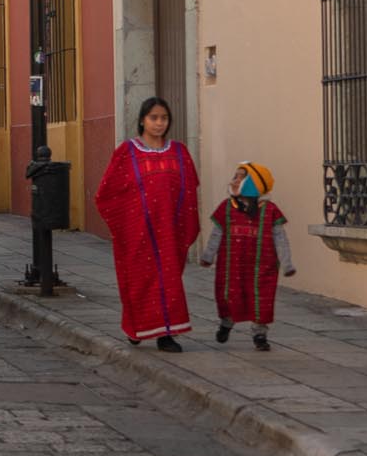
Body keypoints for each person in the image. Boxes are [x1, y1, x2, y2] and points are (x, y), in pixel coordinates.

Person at [95, 96, 201, 352]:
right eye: (153, 118)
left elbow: (189, 188)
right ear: (142, 120)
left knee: (170, 281)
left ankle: (167, 334)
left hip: (170, 232)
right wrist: (127, 224)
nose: (159, 123)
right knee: (139, 281)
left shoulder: (179, 152)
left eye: (163, 118)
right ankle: (137, 327)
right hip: (138, 232)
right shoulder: (127, 153)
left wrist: (183, 223)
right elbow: (107, 194)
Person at [199, 162, 295, 351]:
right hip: (232, 265)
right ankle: (226, 323)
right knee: (229, 296)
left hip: (262, 267)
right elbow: (216, 235)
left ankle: (260, 335)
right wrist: (208, 256)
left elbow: (280, 238)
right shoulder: (226, 208)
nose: (234, 181)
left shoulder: (270, 210)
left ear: (254, 183)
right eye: (234, 176)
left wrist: (287, 264)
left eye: (240, 177)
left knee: (261, 299)